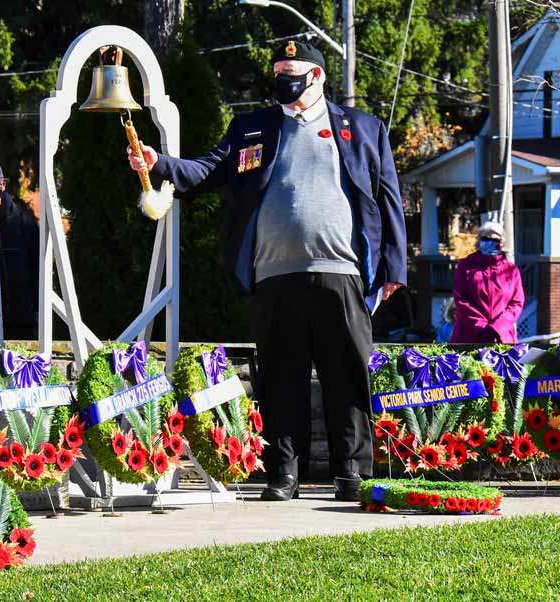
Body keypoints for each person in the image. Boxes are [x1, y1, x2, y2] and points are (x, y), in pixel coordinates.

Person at [127, 41, 407, 501]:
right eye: (277, 70)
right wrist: (159, 163)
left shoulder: (362, 128)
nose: (280, 79)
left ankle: (351, 473)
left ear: (316, 76)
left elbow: (388, 197)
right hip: (273, 276)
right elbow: (209, 169)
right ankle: (283, 475)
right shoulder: (253, 128)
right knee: (280, 379)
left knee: (347, 376)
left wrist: (394, 266)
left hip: (342, 272)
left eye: (291, 72)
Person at [450, 221, 524, 344]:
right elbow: (461, 300)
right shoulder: (465, 266)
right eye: (485, 238)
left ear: (502, 243)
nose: (489, 242)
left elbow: (516, 303)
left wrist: (496, 328)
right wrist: (482, 327)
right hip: (468, 337)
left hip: (502, 338)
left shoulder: (512, 270)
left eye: (494, 239)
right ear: (479, 241)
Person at [0, 162, 40, 340]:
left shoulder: (24, 222)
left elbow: (37, 268)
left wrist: (36, 313)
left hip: (20, 319)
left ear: (3, 184)